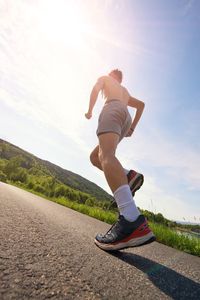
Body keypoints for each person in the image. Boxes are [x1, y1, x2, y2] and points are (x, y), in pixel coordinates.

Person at [85, 69, 155, 251]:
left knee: (107, 156)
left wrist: (90, 110)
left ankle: (131, 217)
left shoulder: (105, 79)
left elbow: (95, 89)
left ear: (111, 75)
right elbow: (141, 105)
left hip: (112, 109)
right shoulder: (124, 91)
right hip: (125, 117)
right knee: (95, 157)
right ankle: (128, 176)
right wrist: (132, 127)